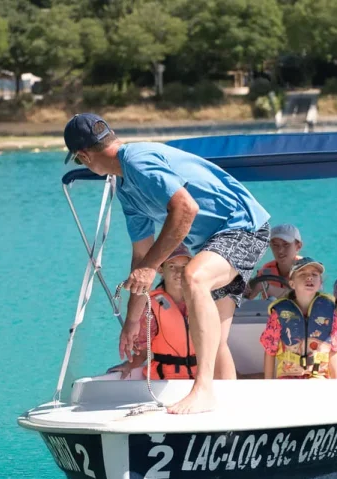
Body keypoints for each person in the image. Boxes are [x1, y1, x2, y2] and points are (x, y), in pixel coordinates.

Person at [63, 113, 270, 414]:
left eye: (81, 162)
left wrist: (150, 267)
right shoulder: (126, 188)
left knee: (194, 277)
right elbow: (140, 256)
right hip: (214, 243)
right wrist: (133, 321)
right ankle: (228, 413)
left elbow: (185, 209)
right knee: (216, 339)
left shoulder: (137, 160)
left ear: (83, 156)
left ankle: (203, 391)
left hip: (243, 226)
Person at [107, 244, 196, 380]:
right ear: (161, 269)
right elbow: (143, 350)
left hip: (201, 379)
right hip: (163, 379)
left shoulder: (201, 301)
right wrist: (130, 365)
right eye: (172, 266)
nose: (179, 272)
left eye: (184, 266)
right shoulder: (150, 305)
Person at [259, 258, 337, 379]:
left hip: (318, 376)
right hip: (288, 376)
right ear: (292, 283)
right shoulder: (279, 312)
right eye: (303, 274)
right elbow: (270, 349)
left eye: (314, 275)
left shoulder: (330, 311)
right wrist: (268, 383)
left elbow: (334, 349)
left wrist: (336, 384)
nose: (309, 277)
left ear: (320, 284)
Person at [245, 224, 303, 300]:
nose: (280, 250)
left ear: (298, 246)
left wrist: (267, 287)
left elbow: (306, 299)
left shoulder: (308, 269)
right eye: (275, 245)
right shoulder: (265, 271)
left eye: (286, 244)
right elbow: (247, 297)